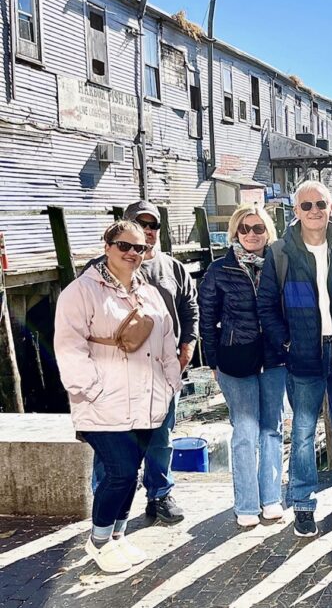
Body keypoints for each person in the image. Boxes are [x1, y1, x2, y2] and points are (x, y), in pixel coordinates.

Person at [54, 221, 181, 573]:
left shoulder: (150, 292)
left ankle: (117, 536)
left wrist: (171, 384)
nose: (132, 253)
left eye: (139, 248)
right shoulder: (80, 292)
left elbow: (167, 341)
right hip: (103, 402)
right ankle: (97, 542)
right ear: (107, 246)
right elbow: (69, 347)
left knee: (133, 472)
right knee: (120, 471)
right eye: (124, 245)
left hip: (148, 401)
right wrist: (92, 390)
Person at [257, 180, 332, 538]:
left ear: (331, 208)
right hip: (303, 353)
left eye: (321, 203)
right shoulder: (281, 252)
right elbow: (267, 306)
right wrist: (286, 343)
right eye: (306, 206)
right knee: (304, 432)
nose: (314, 210)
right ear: (296, 211)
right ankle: (303, 503)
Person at [87, 200, 198, 524]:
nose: (147, 231)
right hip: (114, 372)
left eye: (153, 226)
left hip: (162, 371)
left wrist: (187, 349)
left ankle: (159, 494)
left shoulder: (172, 268)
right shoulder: (98, 271)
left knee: (161, 438)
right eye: (141, 224)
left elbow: (190, 308)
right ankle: (106, 505)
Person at [198, 204, 287, 527]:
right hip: (235, 358)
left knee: (272, 430)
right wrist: (212, 360)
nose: (251, 234)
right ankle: (247, 504)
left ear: (267, 232)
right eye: (245, 228)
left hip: (274, 358)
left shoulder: (279, 266)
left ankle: (272, 498)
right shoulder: (220, 270)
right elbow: (206, 318)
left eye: (258, 228)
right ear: (235, 232)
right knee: (246, 431)